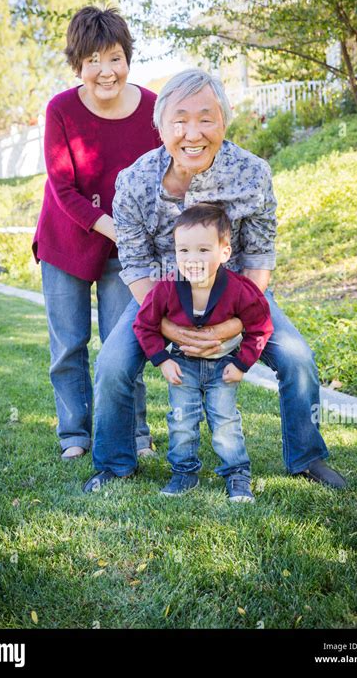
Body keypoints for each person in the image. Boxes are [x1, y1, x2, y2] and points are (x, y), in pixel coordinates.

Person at [83, 68, 347, 492]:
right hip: (159, 295)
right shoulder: (132, 181)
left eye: (206, 118)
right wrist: (169, 325)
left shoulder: (253, 174)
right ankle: (115, 464)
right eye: (179, 120)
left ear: (224, 120)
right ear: (161, 125)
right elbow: (134, 263)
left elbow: (260, 257)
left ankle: (307, 457)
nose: (193, 132)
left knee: (297, 358)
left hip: (241, 293)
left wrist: (233, 325)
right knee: (113, 364)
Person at [32, 6, 162, 460]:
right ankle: (74, 435)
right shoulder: (61, 110)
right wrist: (117, 228)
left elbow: (162, 177)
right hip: (66, 243)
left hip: (124, 253)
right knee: (69, 345)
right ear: (78, 65)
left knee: (123, 343)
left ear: (127, 58)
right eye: (93, 61)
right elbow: (62, 188)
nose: (105, 71)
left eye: (114, 58)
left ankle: (136, 433)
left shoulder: (151, 109)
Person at [132, 203, 274, 502]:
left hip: (223, 366)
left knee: (225, 421)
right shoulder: (166, 289)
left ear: (224, 252)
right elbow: (145, 324)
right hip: (183, 365)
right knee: (181, 421)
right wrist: (162, 359)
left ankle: (237, 476)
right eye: (184, 251)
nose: (192, 259)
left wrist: (242, 363)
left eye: (203, 250)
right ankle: (184, 474)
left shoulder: (239, 289)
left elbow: (260, 326)